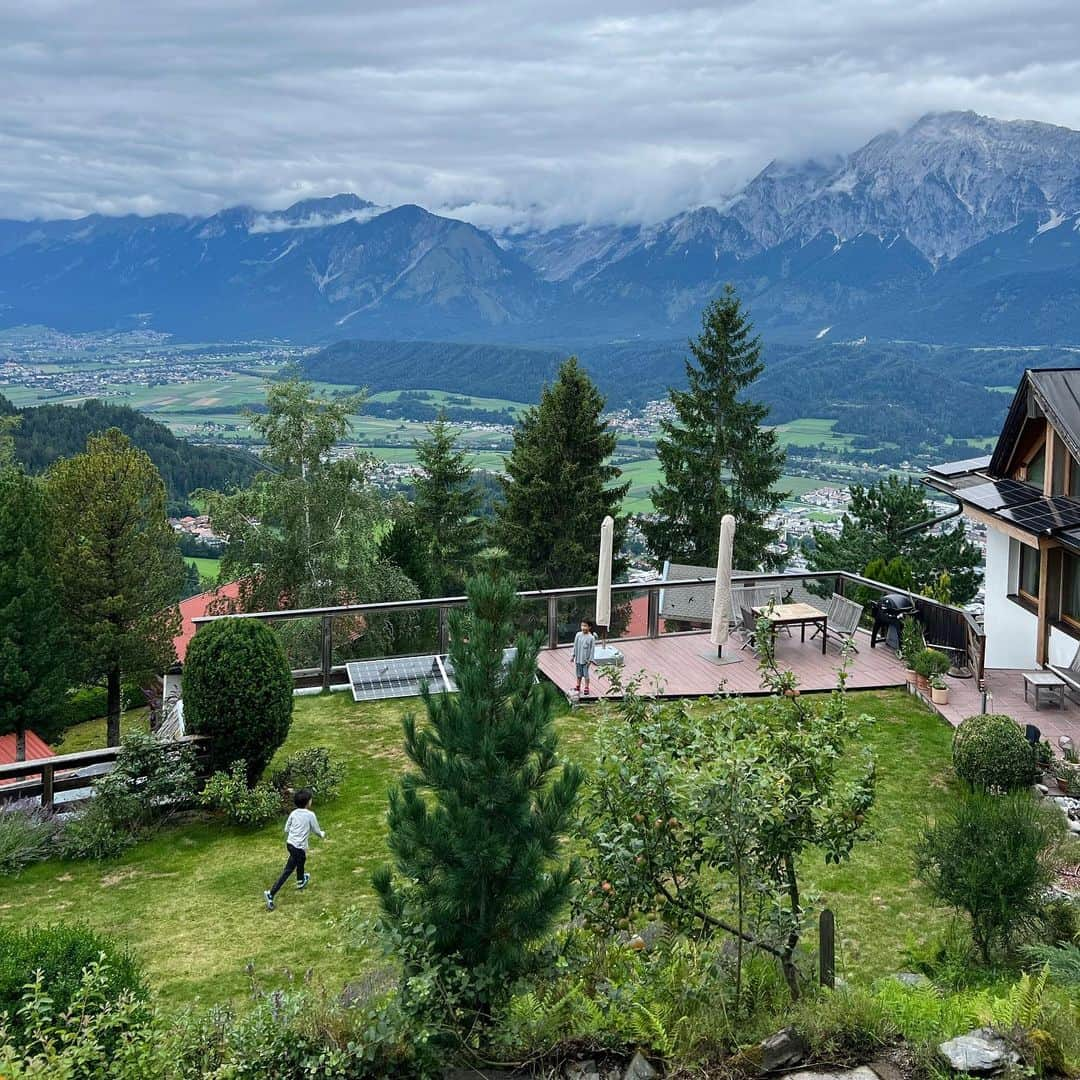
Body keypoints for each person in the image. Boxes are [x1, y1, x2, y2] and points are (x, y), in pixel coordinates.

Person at [264, 788, 325, 911]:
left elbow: (287, 828)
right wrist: (322, 834)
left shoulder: (293, 813)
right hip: (298, 847)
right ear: (308, 802)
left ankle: (300, 880)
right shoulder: (310, 815)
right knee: (289, 869)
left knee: (300, 860)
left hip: (290, 844)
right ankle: (271, 894)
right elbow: (316, 830)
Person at [572, 618, 597, 697]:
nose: (583, 627)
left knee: (586, 674)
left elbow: (592, 650)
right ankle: (578, 685)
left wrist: (590, 660)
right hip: (578, 659)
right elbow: (575, 645)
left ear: (589, 627)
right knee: (578, 673)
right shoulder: (578, 635)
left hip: (586, 660)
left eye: (585, 626)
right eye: (582, 625)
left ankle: (586, 687)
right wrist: (573, 655)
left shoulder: (591, 638)